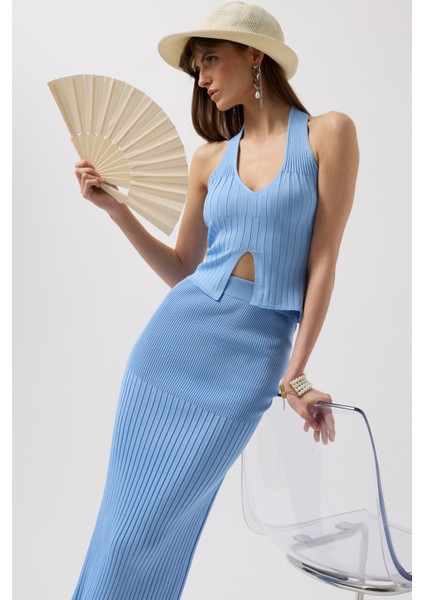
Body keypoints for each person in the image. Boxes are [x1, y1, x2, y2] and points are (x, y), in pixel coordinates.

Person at [71, 2, 359, 598]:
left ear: (254, 55)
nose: (201, 78)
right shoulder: (209, 158)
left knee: (158, 529)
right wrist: (118, 210)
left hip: (251, 363)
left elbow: (324, 260)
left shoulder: (329, 134)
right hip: (168, 351)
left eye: (209, 60)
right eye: (196, 68)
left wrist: (296, 376)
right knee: (124, 529)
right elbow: (184, 269)